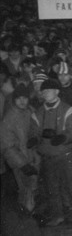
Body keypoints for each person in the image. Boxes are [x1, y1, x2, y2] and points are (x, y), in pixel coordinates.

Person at [35, 78, 72, 226]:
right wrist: (36, 139)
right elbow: (33, 132)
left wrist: (63, 137)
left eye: (49, 90)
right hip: (48, 156)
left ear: (57, 92)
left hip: (66, 154)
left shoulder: (67, 109)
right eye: (44, 91)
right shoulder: (38, 112)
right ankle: (58, 216)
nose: (46, 93)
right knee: (52, 188)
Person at [0, 84, 41, 215]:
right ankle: (26, 220)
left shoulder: (30, 112)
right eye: (19, 98)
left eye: (25, 98)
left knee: (34, 189)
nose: (22, 101)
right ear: (14, 100)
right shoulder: (9, 118)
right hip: (21, 162)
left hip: (34, 158)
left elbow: (36, 130)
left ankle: (33, 216)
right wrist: (22, 164)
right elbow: (7, 146)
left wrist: (35, 139)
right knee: (25, 190)